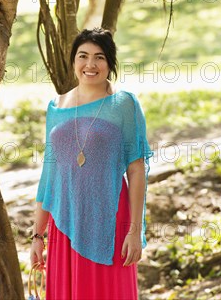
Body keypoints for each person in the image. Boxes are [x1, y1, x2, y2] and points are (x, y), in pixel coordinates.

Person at [30, 28, 153, 299]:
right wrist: (38, 236)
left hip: (110, 222)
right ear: (73, 61)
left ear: (109, 63)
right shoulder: (56, 106)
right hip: (64, 223)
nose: (90, 64)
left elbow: (136, 170)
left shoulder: (124, 104)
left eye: (99, 57)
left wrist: (134, 231)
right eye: (83, 56)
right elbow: (49, 177)